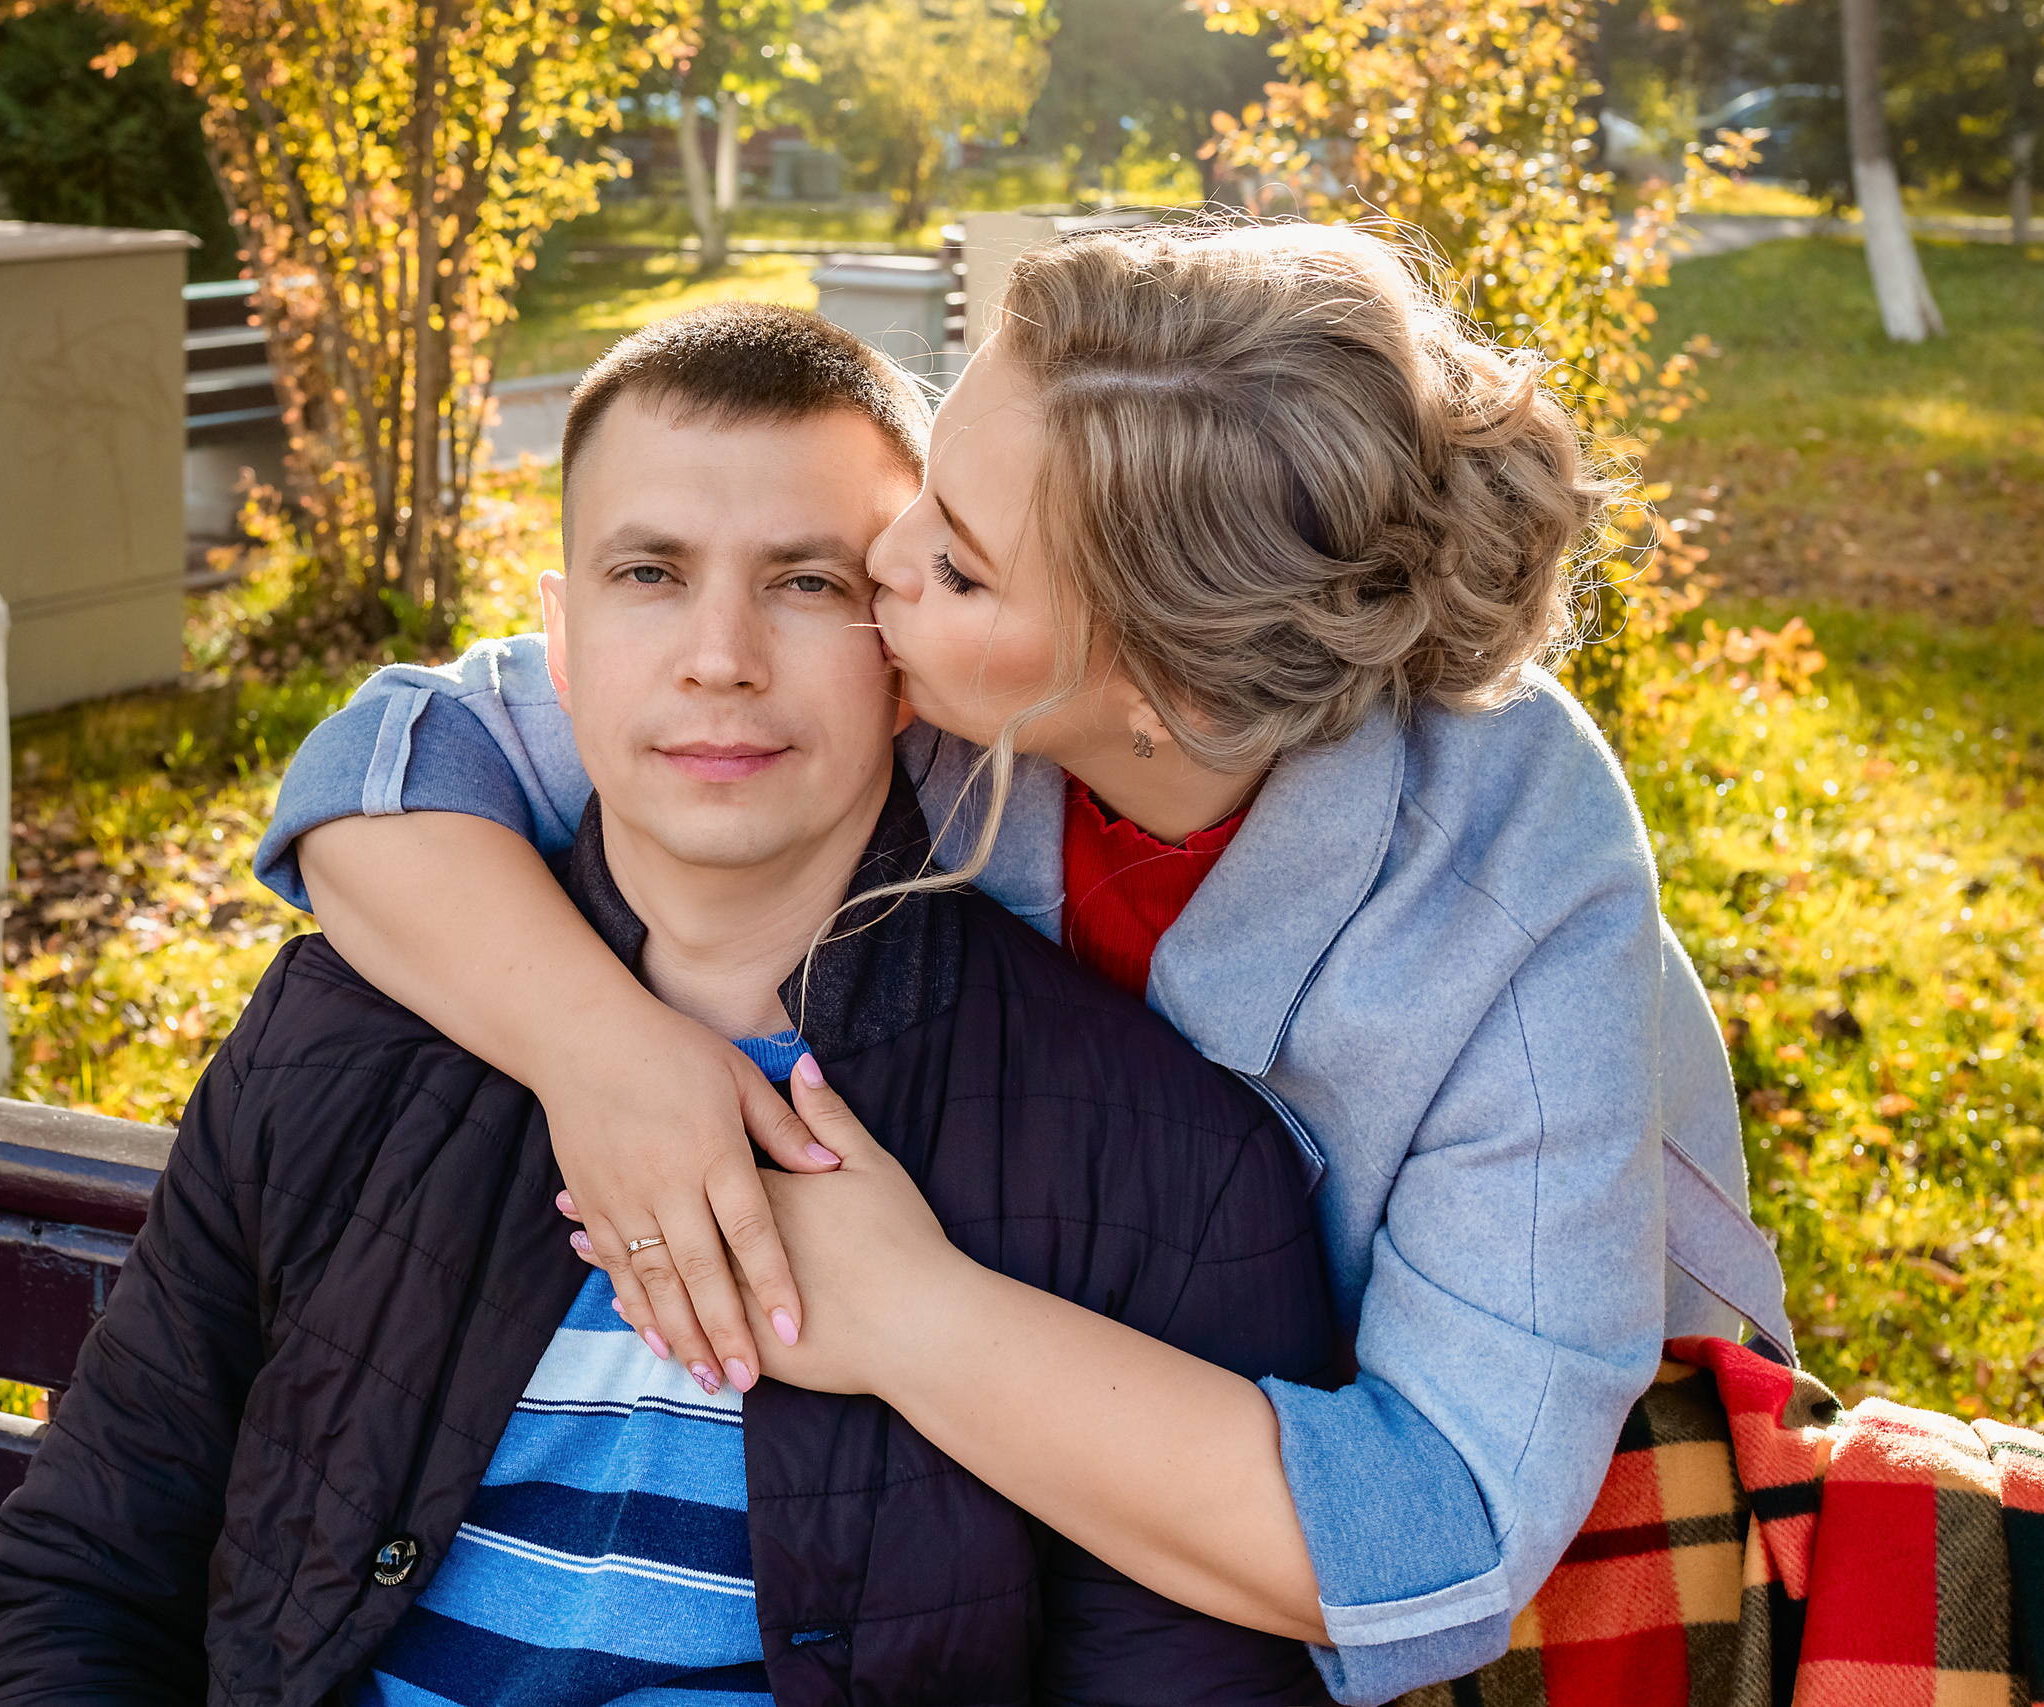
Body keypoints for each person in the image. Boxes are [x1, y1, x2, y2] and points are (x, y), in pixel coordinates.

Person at [261, 221, 1796, 1703]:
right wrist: (608, 1060)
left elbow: (1446, 1535)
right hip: (1006, 1495)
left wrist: (913, 1316)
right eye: (934, 488)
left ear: (1160, 692)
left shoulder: (1504, 918)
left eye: (965, 567)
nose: (883, 559)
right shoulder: (921, 666)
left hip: (1460, 1536)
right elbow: (388, 770)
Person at [0, 304, 1334, 1707]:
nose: (720, 657)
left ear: (906, 659)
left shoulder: (1160, 1162)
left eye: (807, 583)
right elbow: (86, 1576)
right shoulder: (339, 1031)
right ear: (559, 644)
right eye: (650, 573)